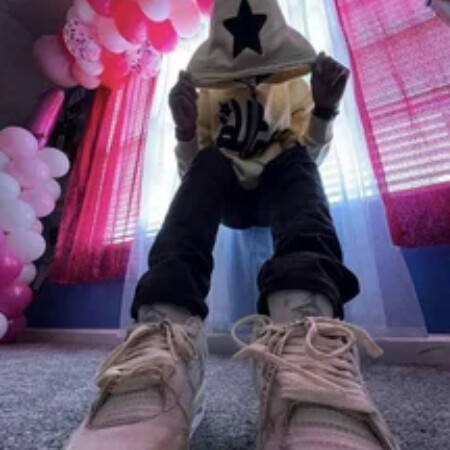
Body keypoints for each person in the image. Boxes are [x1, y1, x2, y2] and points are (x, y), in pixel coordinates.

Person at [66, 0, 400, 449]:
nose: (252, 82)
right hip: (227, 194)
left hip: (279, 188)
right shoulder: (210, 94)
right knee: (208, 161)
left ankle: (306, 331)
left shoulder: (293, 88)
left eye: (262, 72)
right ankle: (164, 327)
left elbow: (310, 163)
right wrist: (185, 132)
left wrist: (324, 111)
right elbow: (193, 177)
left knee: (295, 159)